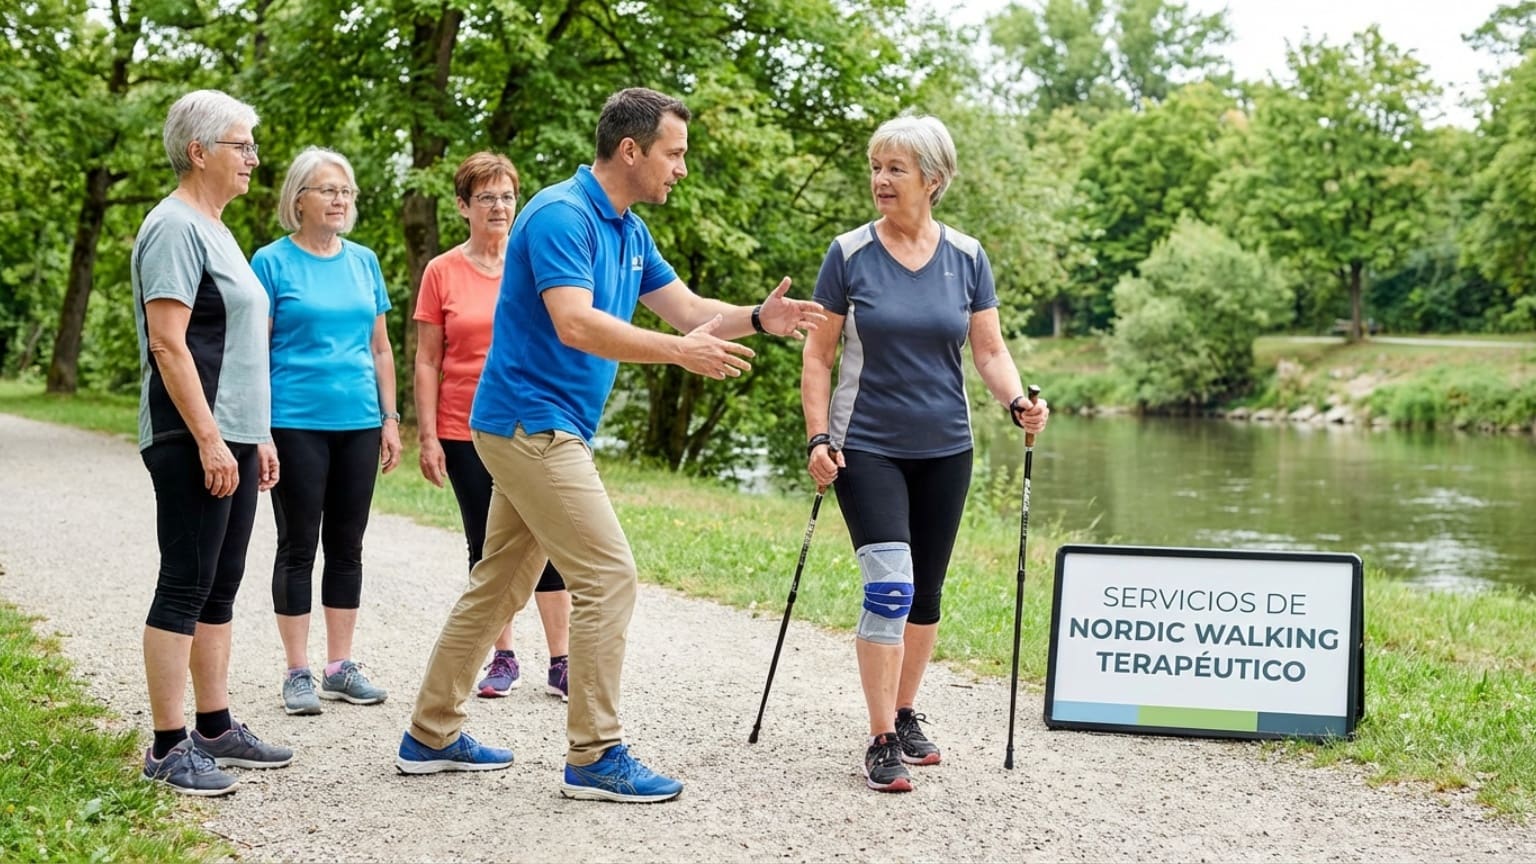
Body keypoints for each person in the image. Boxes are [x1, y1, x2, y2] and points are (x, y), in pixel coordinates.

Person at [395, 87, 825, 803]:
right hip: (531, 425)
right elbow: (577, 323)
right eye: (674, 154)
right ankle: (595, 754)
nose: (681, 169)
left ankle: (430, 733)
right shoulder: (563, 215)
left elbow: (688, 311)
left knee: (499, 583)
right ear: (632, 150)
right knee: (609, 576)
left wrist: (756, 316)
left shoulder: (627, 228)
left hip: (539, 425)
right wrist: (678, 353)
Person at [800, 115, 1049, 793]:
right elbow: (818, 357)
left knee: (926, 595)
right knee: (889, 587)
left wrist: (1016, 404)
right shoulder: (849, 254)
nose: (880, 180)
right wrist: (819, 436)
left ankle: (906, 712)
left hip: (946, 446)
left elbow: (990, 350)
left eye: (895, 169)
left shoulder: (966, 257)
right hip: (867, 446)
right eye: (876, 167)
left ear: (933, 180)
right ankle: (881, 738)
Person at [133, 89, 294, 796]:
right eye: (242, 145)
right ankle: (169, 746)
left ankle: (214, 725)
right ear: (199, 151)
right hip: (191, 433)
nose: (254, 159)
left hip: (235, 435)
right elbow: (170, 344)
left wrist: (255, 438)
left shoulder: (217, 227)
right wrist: (209, 439)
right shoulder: (173, 227)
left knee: (220, 587)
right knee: (185, 583)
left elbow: (238, 342)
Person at [413, 152, 573, 701]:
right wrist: (428, 435)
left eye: (507, 196)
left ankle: (561, 659)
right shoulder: (442, 271)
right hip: (464, 428)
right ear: (464, 206)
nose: (500, 206)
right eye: (487, 197)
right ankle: (502, 657)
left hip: (532, 422)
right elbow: (427, 358)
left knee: (548, 539)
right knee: (486, 544)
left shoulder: (532, 262)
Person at [252, 147, 402, 716]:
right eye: (328, 190)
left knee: (348, 546)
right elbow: (254, 351)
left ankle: (340, 667)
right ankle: (297, 672)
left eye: (347, 192)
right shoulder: (271, 262)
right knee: (297, 545)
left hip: (360, 423)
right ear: (299, 199)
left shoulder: (364, 262)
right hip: (294, 423)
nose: (340, 200)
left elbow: (381, 347)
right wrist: (258, 430)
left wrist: (390, 418)